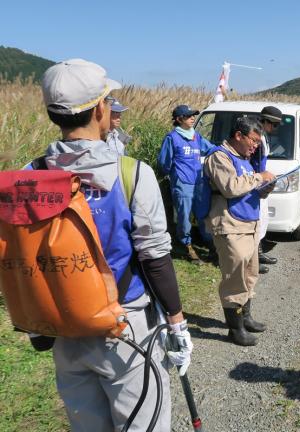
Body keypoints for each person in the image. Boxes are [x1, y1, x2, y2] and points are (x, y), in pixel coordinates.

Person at [38, 58, 191, 431]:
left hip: (64, 327)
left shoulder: (30, 175)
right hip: (125, 327)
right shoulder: (132, 173)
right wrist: (177, 323)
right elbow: (154, 256)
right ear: (100, 108)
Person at [203, 117, 276, 346]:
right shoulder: (220, 157)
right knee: (234, 278)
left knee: (250, 274)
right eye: (253, 140)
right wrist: (258, 177)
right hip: (230, 226)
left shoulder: (245, 158)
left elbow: (250, 189)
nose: (255, 146)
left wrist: (266, 187)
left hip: (249, 225)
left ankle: (246, 318)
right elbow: (231, 187)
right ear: (238, 136)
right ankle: (235, 330)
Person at [157, 105, 217, 262]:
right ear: (179, 119)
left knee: (203, 213)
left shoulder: (196, 136)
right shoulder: (172, 138)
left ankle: (209, 242)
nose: (193, 118)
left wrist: (226, 151)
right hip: (182, 184)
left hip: (199, 182)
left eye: (193, 115)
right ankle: (186, 245)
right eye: (189, 115)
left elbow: (210, 149)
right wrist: (172, 176)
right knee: (184, 216)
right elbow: (164, 163)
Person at [252, 105, 283, 274]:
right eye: (273, 124)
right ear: (264, 121)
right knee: (255, 221)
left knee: (262, 220)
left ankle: (259, 252)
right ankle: (253, 259)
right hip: (255, 182)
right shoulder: (255, 138)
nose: (274, 129)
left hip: (263, 181)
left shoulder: (264, 136)